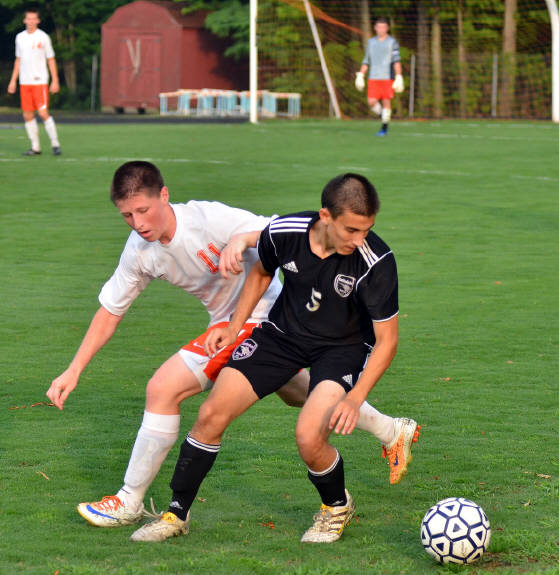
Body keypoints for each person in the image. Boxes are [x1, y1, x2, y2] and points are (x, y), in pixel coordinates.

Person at [46, 161, 407, 529]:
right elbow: (111, 310)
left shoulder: (207, 219)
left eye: (143, 210)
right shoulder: (140, 250)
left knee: (163, 389)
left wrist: (241, 239)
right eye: (127, 215)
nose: (138, 222)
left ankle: (129, 500)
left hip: (265, 316)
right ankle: (390, 429)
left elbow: (277, 231)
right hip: (239, 325)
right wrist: (74, 369)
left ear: (164, 196)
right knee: (305, 395)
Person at [130, 173, 420, 544]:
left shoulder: (376, 261)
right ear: (325, 216)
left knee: (309, 436)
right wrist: (234, 328)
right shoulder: (285, 231)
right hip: (282, 335)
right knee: (211, 413)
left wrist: (355, 397)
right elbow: (262, 271)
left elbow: (387, 341)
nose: (359, 240)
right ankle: (176, 515)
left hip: (342, 348)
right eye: (351, 230)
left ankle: (336, 506)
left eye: (367, 230)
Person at [7, 8, 61, 156]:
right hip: (25, 82)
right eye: (28, 18)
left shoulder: (43, 37)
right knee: (27, 115)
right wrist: (13, 81)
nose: (30, 21)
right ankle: (35, 147)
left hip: (40, 81)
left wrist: (55, 80)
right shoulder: (20, 37)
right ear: (24, 20)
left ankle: (55, 144)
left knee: (43, 113)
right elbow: (18, 60)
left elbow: (51, 59)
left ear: (38, 20)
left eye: (33, 19)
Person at [355, 17, 404, 137]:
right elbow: (366, 60)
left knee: (386, 101)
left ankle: (384, 128)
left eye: (383, 27)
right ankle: (384, 116)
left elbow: (396, 60)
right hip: (373, 77)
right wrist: (361, 75)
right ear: (375, 28)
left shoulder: (392, 42)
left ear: (387, 28)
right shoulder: (371, 42)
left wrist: (398, 76)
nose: (381, 29)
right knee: (371, 102)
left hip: (387, 77)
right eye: (379, 27)